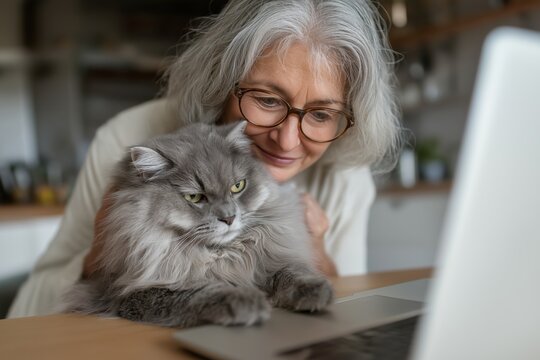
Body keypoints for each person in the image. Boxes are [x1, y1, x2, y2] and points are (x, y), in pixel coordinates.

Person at [8, 0, 401, 318]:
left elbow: (346, 309)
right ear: (222, 77)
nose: (286, 140)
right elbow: (28, 309)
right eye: (267, 100)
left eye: (320, 114)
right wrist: (100, 255)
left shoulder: (345, 177)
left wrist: (317, 254)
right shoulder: (128, 141)